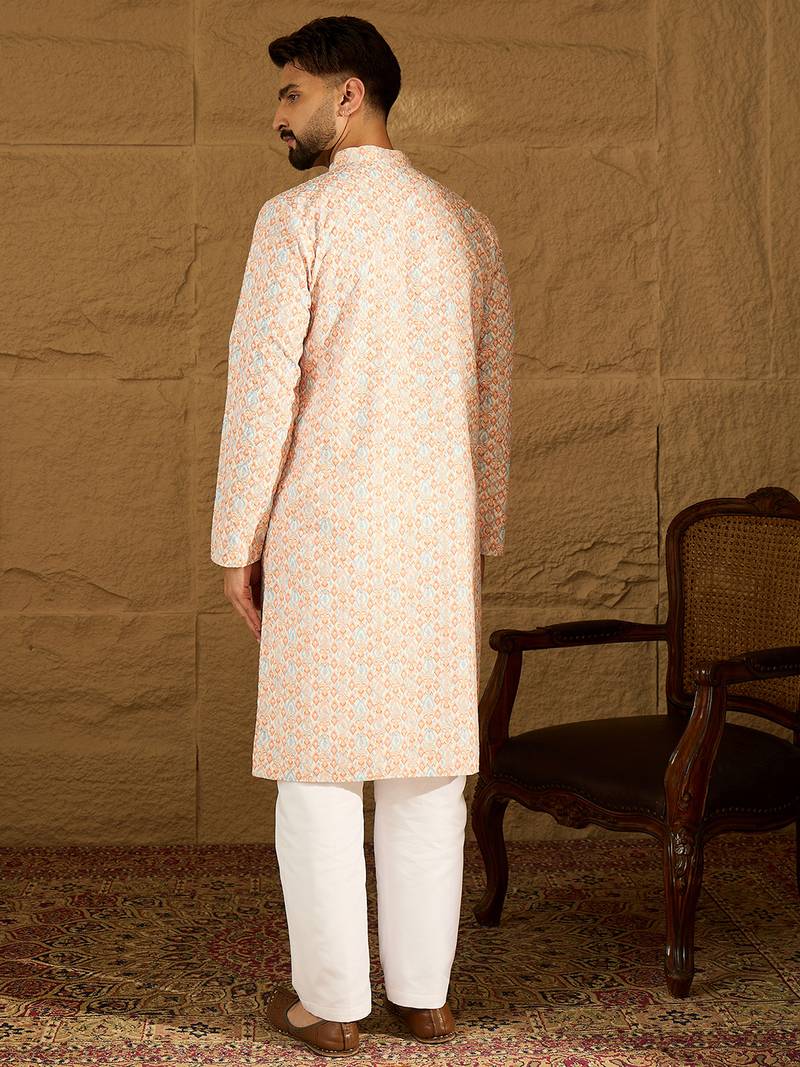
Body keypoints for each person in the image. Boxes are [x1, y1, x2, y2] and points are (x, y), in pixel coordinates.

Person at [210, 14, 515, 1057]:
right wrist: (479, 531)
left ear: (348, 96)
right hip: (433, 535)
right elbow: (491, 400)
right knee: (429, 770)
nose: (278, 116)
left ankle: (331, 1005)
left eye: (290, 93)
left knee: (320, 772)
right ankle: (426, 998)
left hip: (326, 532)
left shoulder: (297, 220)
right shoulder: (466, 225)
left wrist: (235, 541)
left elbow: (260, 394)